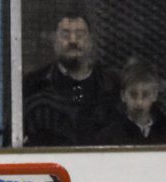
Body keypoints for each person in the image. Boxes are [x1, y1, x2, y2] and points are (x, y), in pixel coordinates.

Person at [22, 12, 121, 146]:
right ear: (54, 40)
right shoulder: (34, 84)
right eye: (65, 34)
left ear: (91, 40)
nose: (73, 40)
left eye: (80, 34)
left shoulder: (113, 85)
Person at [98, 61, 166, 145]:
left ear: (155, 95)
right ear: (123, 96)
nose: (139, 102)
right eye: (133, 95)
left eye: (145, 95)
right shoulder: (110, 136)